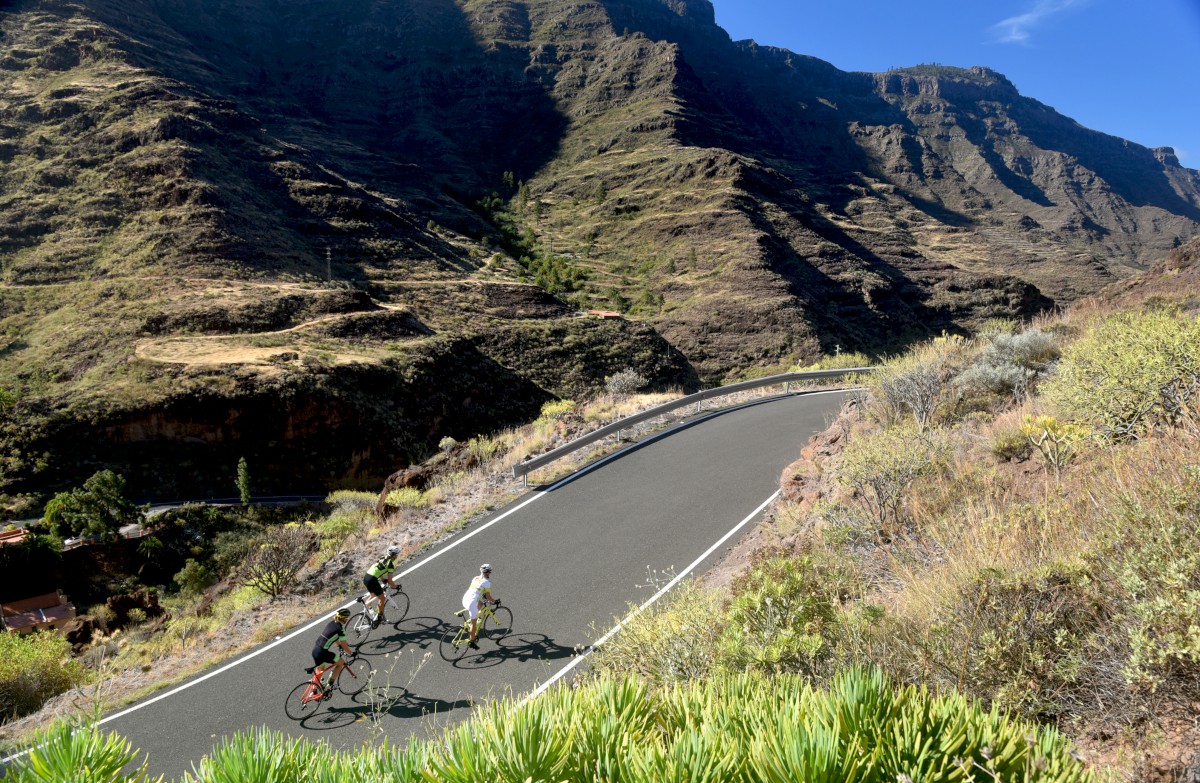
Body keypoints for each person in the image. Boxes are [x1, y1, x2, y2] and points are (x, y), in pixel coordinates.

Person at [310, 608, 354, 692]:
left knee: (320, 671)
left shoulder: (331, 623)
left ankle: (314, 692)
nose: (347, 620)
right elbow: (345, 645)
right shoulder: (341, 629)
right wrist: (351, 653)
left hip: (315, 650)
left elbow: (333, 637)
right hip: (323, 652)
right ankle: (331, 684)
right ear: (344, 619)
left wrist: (339, 645)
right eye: (347, 618)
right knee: (340, 663)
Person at [461, 563, 499, 650]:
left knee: (481, 604)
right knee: (473, 623)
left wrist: (484, 597)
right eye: (490, 572)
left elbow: (479, 592)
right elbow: (488, 597)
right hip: (471, 603)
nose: (490, 574)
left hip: (465, 599)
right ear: (487, 572)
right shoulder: (487, 582)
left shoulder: (475, 578)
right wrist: (495, 601)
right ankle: (472, 641)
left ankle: (473, 619)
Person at [363, 544, 401, 628]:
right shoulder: (390, 564)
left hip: (366, 577)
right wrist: (396, 587)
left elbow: (378, 569)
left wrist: (383, 579)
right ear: (393, 555)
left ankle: (370, 611)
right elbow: (390, 581)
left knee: (373, 595)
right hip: (372, 579)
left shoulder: (382, 558)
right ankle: (379, 618)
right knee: (382, 598)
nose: (397, 556)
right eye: (396, 555)